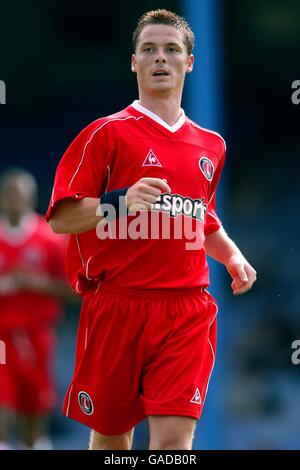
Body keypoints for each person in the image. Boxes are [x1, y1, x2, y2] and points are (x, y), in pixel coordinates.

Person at [46, 9, 257, 450]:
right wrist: (119, 201)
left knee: (173, 446)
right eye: (149, 50)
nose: (160, 58)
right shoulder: (105, 134)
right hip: (117, 306)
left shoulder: (211, 145)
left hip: (187, 309)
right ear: (134, 62)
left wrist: (232, 255)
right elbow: (62, 217)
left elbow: (203, 217)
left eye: (171, 50)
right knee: (111, 441)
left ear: (189, 62)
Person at [0, 168, 73, 450]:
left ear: (31, 198)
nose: (14, 201)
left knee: (34, 417)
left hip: (38, 335)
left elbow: (73, 290)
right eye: (9, 195)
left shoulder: (50, 238)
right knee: (3, 407)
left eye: (20, 195)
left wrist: (35, 283)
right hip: (2, 337)